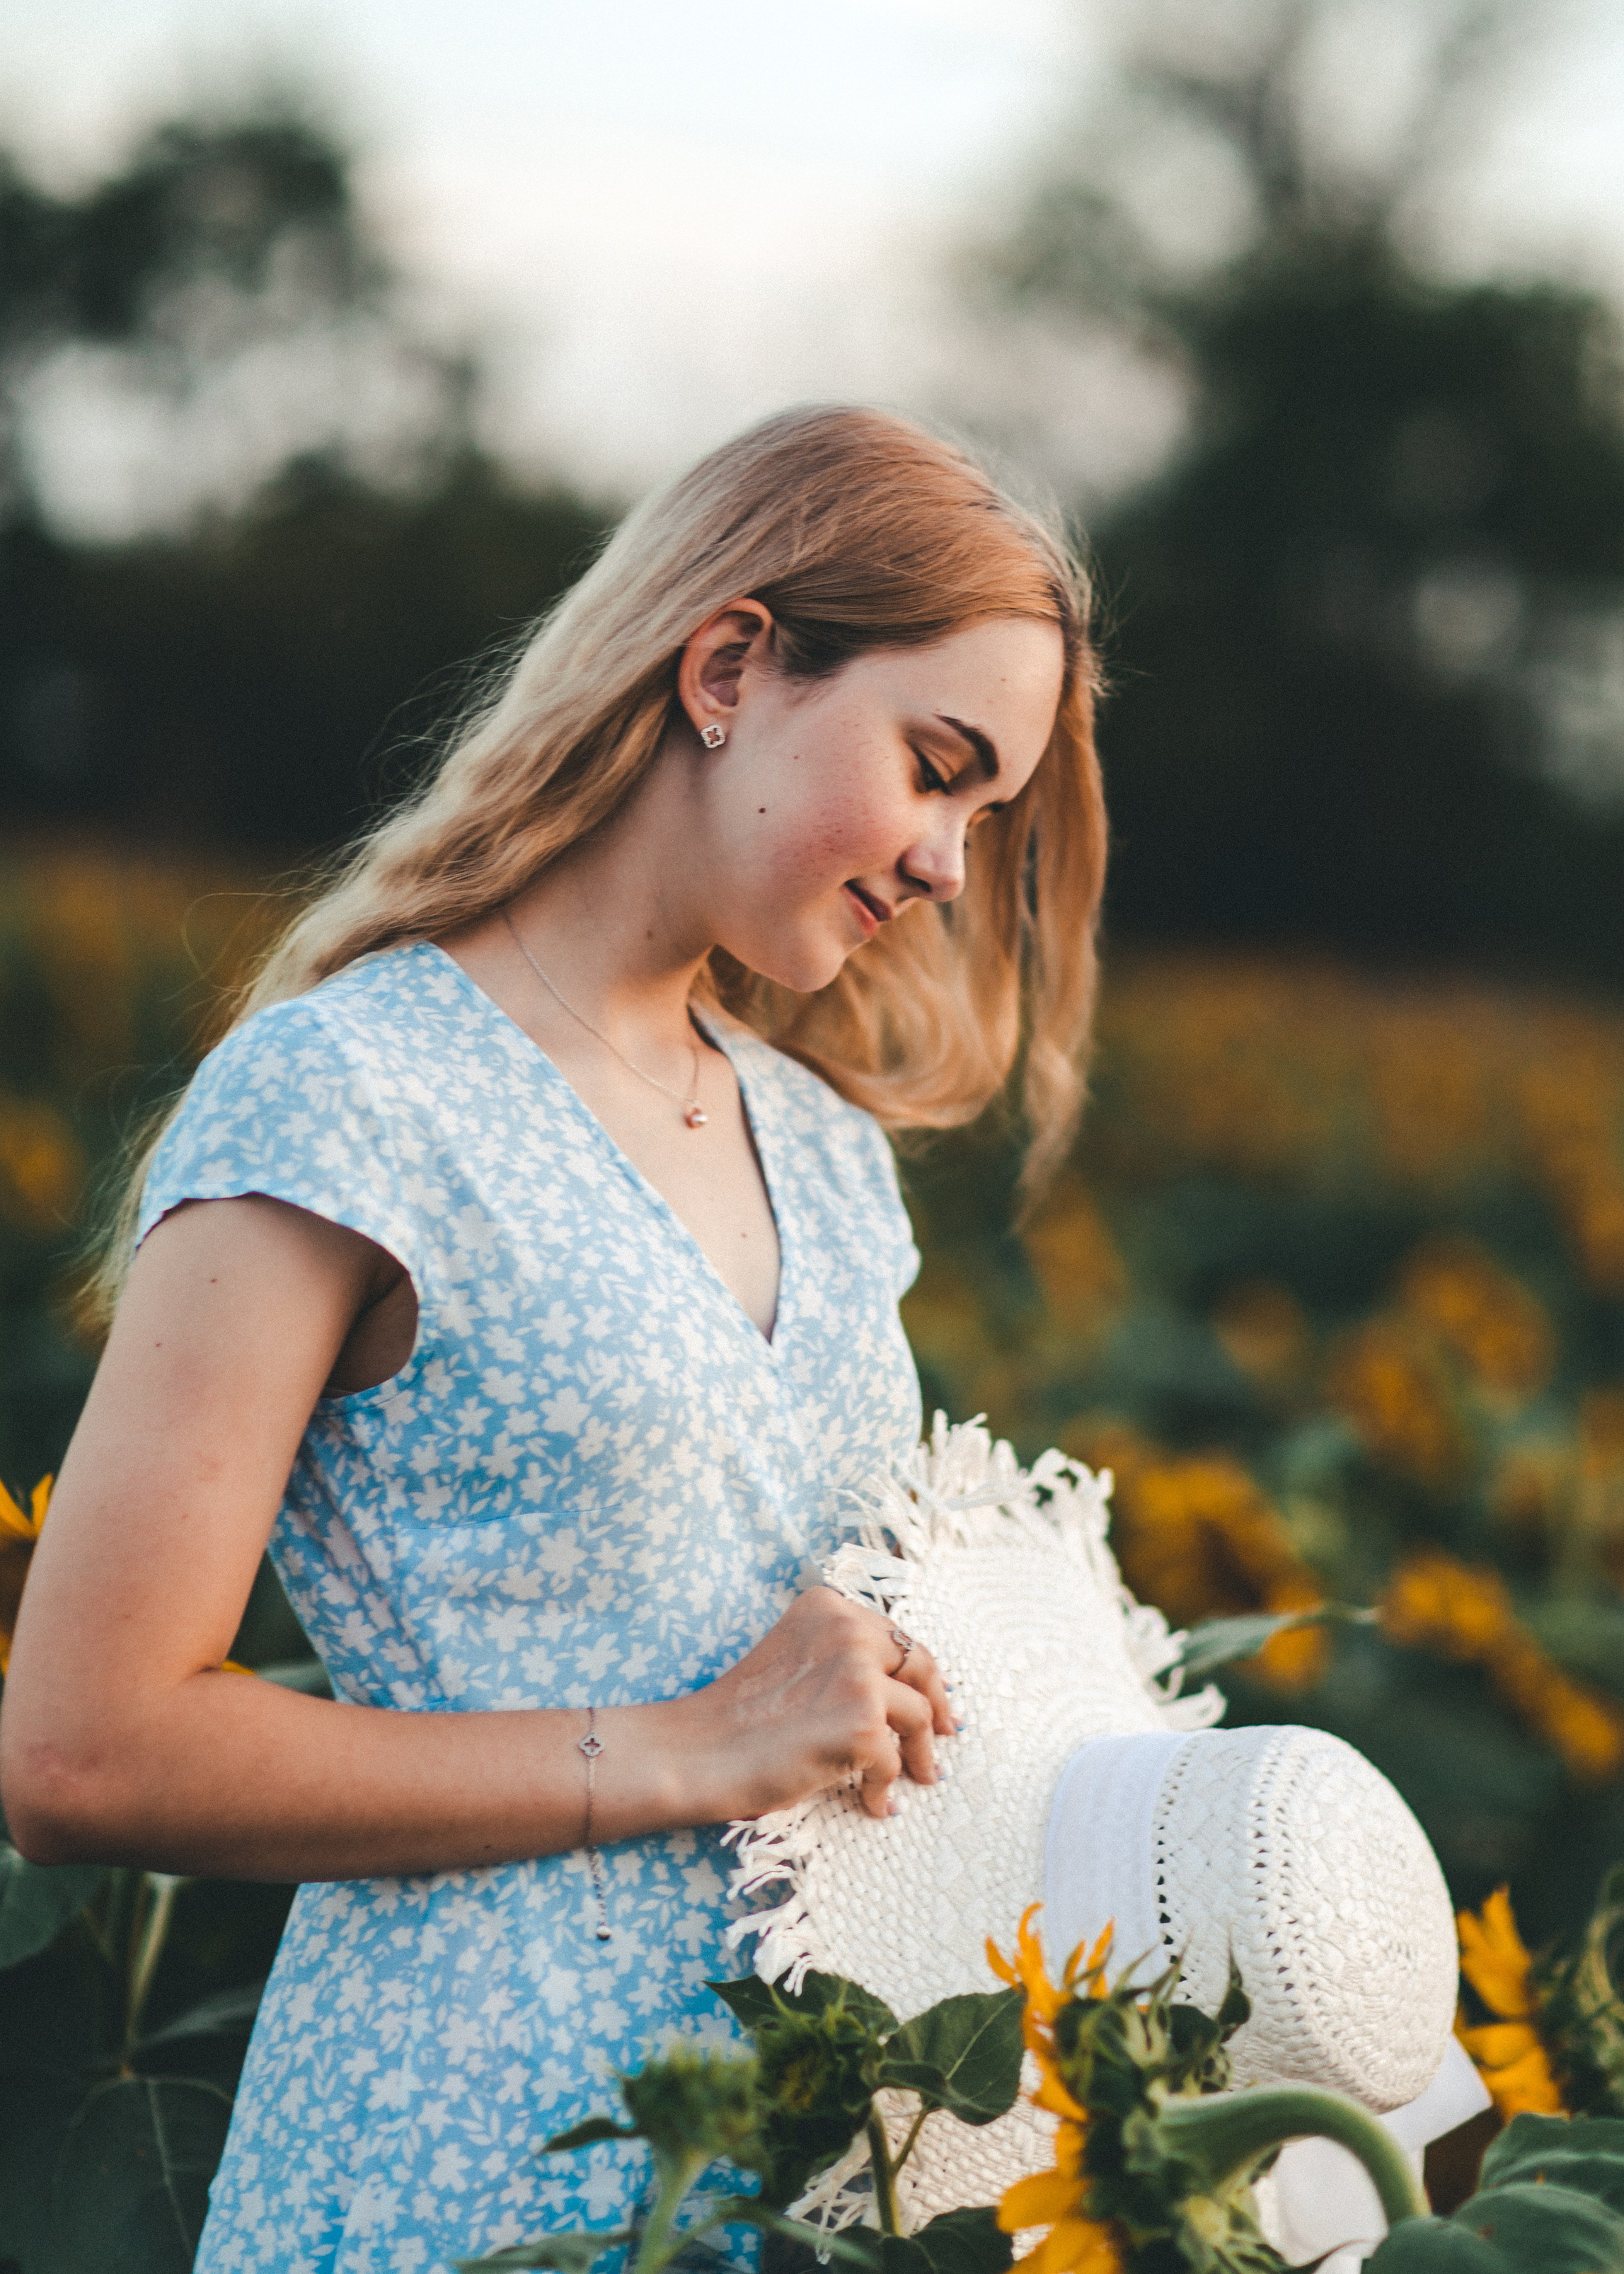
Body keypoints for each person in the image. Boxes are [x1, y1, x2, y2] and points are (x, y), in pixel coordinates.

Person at [0, 405, 1105, 2270]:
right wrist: (688, 1746)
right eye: (935, 769)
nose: (945, 867)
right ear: (732, 665)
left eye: (984, 819)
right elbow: (82, 1751)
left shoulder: (830, 1158)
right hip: (460, 2157)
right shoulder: (352, 1094)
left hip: (803, 2172)